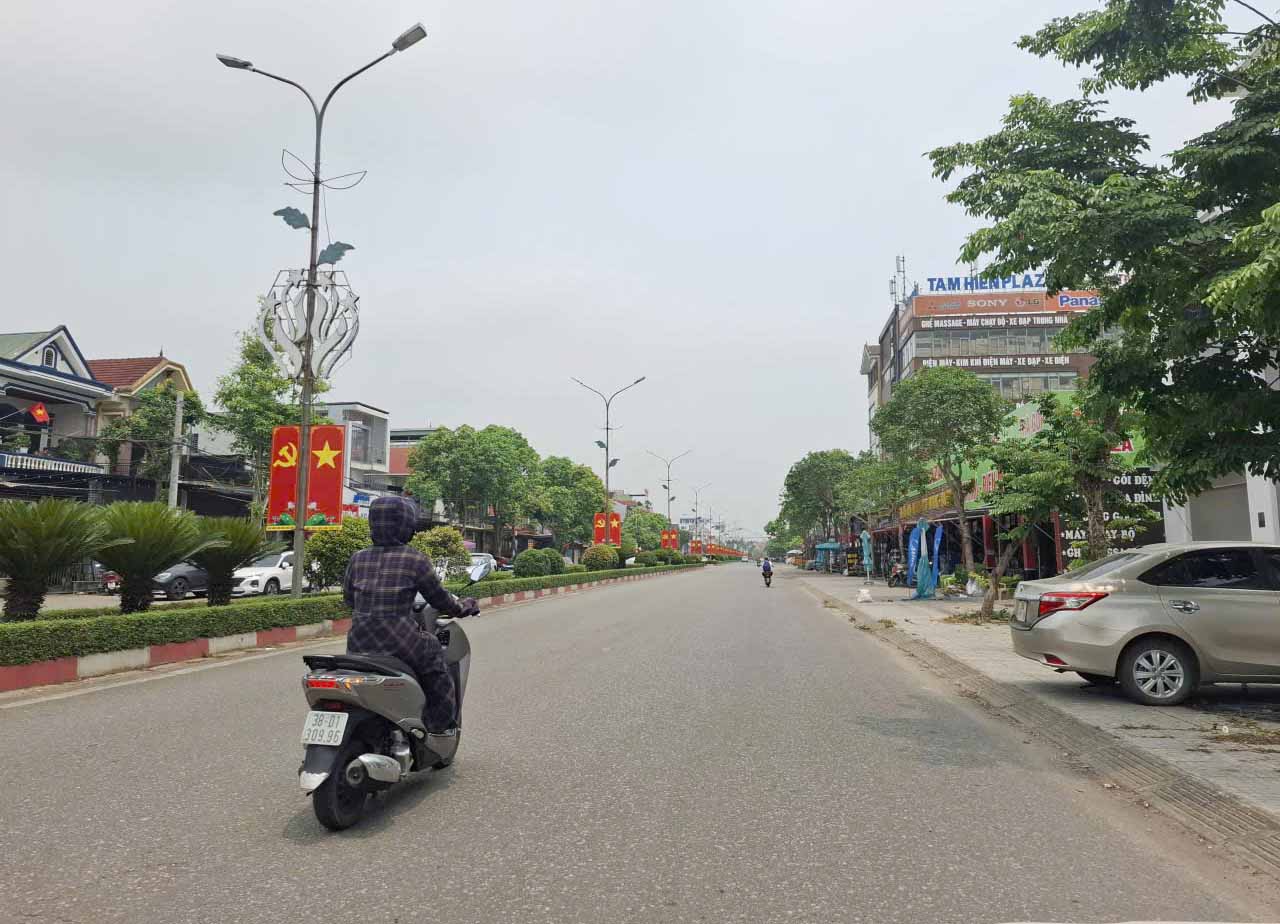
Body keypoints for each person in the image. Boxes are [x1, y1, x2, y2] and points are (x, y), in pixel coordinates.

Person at [343, 496, 479, 734]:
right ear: (407, 525)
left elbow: (348, 600)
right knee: (436, 664)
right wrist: (463, 606)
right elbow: (441, 600)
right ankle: (438, 726)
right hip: (402, 641)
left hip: (358, 642)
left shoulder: (357, 558)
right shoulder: (415, 559)